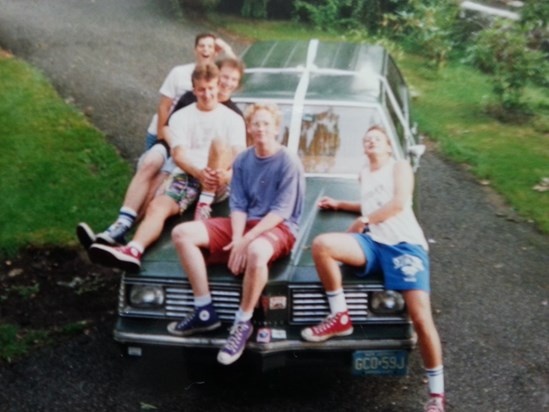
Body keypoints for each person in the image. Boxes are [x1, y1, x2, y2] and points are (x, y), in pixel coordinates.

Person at [300, 125, 445, 412]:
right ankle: (340, 317)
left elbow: (397, 203)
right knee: (323, 245)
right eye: (366, 139)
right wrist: (340, 204)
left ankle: (436, 396)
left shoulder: (400, 166)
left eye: (376, 138)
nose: (370, 142)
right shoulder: (365, 172)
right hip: (374, 244)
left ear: (389, 146)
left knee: (419, 317)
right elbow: (370, 203)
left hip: (405, 246)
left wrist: (364, 220)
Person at [166, 103, 305, 366]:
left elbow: (281, 211)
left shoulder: (288, 160)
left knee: (256, 252)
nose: (261, 128)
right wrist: (237, 238)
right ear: (249, 128)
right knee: (182, 233)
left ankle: (243, 323)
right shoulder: (242, 159)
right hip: (245, 224)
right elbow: (238, 205)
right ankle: (204, 309)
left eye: (266, 124)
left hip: (278, 227)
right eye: (256, 124)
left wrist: (246, 242)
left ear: (276, 128)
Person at [76, 34, 236, 249]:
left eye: (229, 82)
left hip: (188, 158)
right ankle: (120, 226)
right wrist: (171, 143)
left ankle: (124, 237)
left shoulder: (231, 112)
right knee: (149, 164)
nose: (217, 89)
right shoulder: (189, 90)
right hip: (171, 141)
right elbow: (168, 120)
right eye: (202, 46)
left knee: (157, 190)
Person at [88, 63, 246, 272]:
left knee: (218, 143)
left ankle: (204, 203)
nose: (207, 94)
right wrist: (198, 173)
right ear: (193, 89)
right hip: (190, 174)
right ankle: (134, 250)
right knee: (157, 206)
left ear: (218, 87)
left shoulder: (233, 118)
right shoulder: (182, 116)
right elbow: (179, 155)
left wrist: (225, 176)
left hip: (219, 179)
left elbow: (240, 157)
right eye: (201, 89)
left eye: (211, 88)